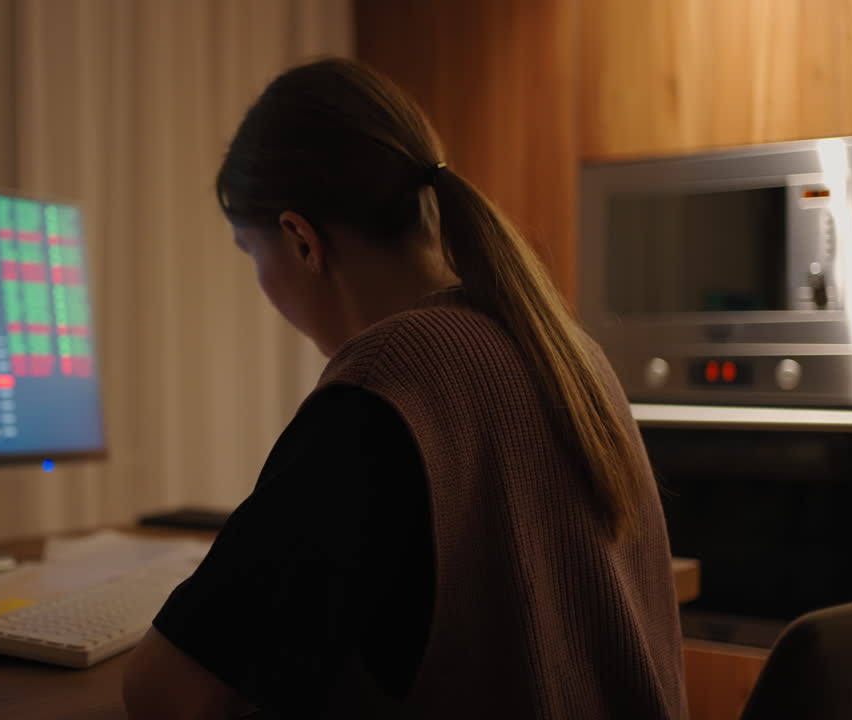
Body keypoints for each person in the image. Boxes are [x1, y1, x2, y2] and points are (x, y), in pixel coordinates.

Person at [123, 58, 686, 719]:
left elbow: (165, 693)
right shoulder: (566, 349)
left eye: (252, 254)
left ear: (301, 240)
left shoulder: (385, 387)